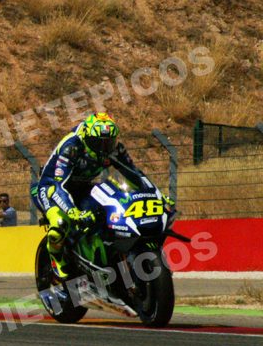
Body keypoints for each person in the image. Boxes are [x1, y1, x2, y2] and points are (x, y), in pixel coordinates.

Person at [31, 113, 166, 279]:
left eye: (108, 142)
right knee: (60, 224)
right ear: (87, 137)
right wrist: (72, 212)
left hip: (83, 186)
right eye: (98, 143)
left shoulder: (115, 149)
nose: (104, 148)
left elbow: (134, 174)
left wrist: (157, 196)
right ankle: (57, 260)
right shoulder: (72, 147)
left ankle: (97, 260)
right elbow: (58, 185)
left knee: (104, 213)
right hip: (51, 188)